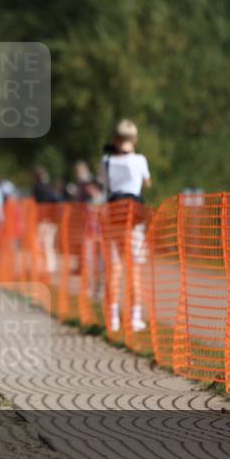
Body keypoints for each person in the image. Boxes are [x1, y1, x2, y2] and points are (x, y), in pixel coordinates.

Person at [101, 119, 152, 332]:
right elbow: (146, 183)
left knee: (114, 268)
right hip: (132, 217)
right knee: (134, 269)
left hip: (113, 215)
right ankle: (135, 317)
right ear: (135, 139)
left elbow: (105, 185)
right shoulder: (139, 160)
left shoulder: (106, 161)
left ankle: (113, 318)